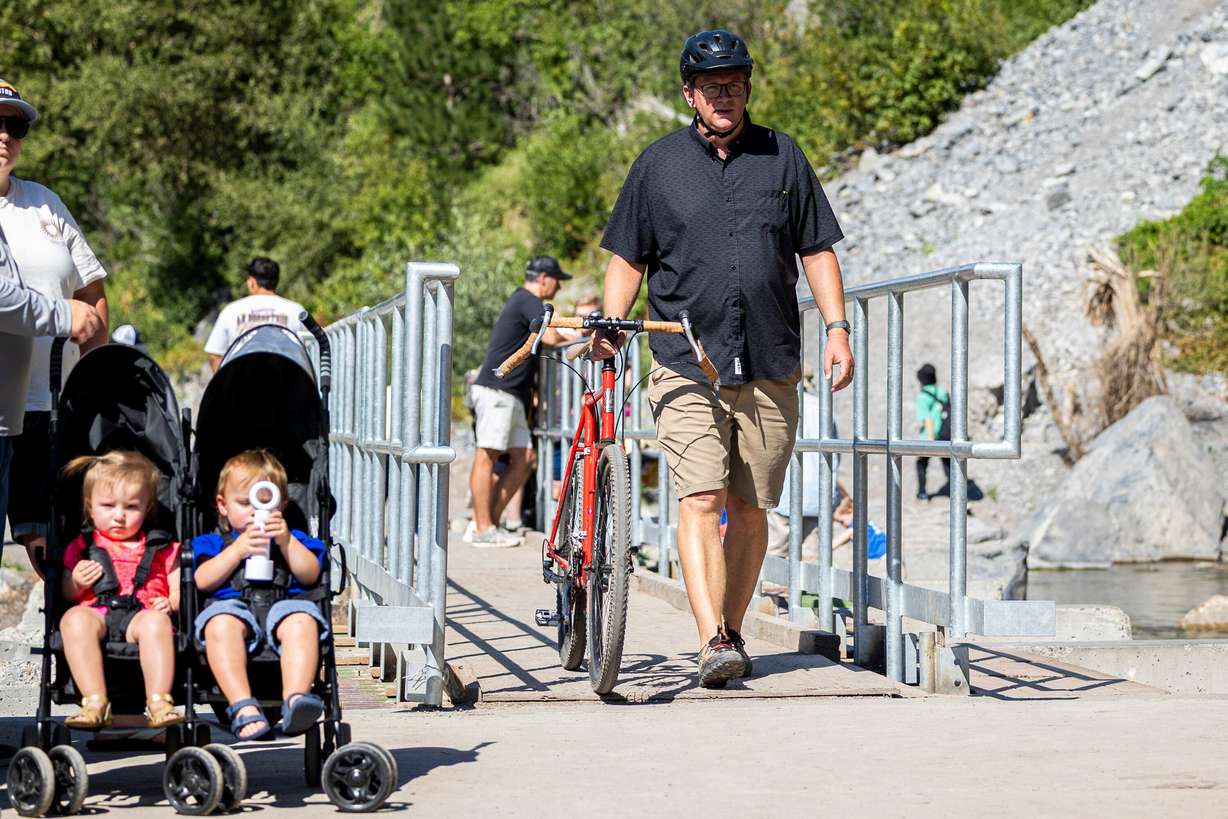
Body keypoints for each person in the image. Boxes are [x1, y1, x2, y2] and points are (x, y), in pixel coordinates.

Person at [593, 30, 854, 688]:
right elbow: (627, 255)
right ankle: (710, 634)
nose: (724, 96)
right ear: (689, 94)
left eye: (735, 85)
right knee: (702, 495)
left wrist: (838, 328)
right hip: (683, 355)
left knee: (754, 505)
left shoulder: (783, 156)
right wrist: (615, 324)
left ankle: (733, 627)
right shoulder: (657, 166)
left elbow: (816, 249)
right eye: (712, 87)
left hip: (769, 358)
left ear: (747, 89)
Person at [1, 79, 110, 571]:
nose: (5, 136)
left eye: (15, 125)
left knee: (55, 549)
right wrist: (62, 314)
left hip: (50, 406)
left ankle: (67, 639)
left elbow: (91, 293)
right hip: (1, 407)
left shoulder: (44, 202)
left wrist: (96, 388)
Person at [192, 449, 328, 740]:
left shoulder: (296, 540)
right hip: (232, 608)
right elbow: (202, 580)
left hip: (283, 606)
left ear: (283, 505)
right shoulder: (213, 543)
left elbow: (310, 574)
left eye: (267, 503)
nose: (256, 511)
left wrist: (287, 541)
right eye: (245, 503)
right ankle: (242, 706)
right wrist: (236, 551)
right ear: (223, 505)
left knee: (304, 621)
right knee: (219, 624)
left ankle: (296, 699)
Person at [58, 451, 183, 729]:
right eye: (108, 506)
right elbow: (67, 593)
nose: (119, 516)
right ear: (90, 508)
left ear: (147, 508)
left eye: (131, 507)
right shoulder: (82, 545)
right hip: (97, 612)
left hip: (142, 614)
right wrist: (77, 581)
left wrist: (171, 603)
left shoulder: (161, 547)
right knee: (73, 618)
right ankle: (94, 700)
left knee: (156, 622)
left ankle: (159, 700)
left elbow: (177, 589)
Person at [466, 255, 570, 547]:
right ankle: (482, 528)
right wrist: (579, 333)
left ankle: (488, 523)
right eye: (557, 281)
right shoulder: (529, 301)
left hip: (509, 394)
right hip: (498, 390)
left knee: (525, 459)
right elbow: (548, 337)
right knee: (487, 455)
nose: (559, 287)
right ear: (543, 278)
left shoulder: (524, 300)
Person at [204, 257, 306, 371]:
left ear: (252, 282)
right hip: (285, 381)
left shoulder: (231, 311)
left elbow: (215, 355)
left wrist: (223, 386)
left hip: (242, 381)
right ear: (276, 282)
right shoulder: (295, 310)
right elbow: (311, 346)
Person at [914, 363, 951, 501]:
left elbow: (927, 419)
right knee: (948, 465)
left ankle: (922, 492)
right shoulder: (942, 392)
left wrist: (929, 439)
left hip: (930, 436)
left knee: (921, 464)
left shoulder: (922, 396)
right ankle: (957, 493)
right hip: (946, 435)